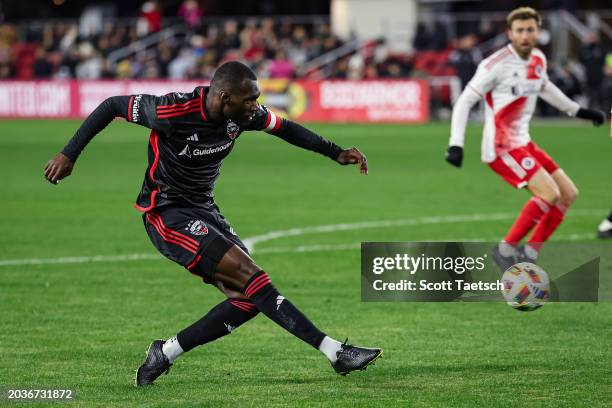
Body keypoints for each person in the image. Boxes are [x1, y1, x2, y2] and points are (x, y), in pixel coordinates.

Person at [44, 61, 382, 386]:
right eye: (250, 99)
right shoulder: (172, 112)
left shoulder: (242, 116)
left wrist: (335, 152)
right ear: (225, 98)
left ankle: (165, 352)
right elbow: (112, 105)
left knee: (249, 299)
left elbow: (285, 128)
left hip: (205, 210)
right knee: (252, 277)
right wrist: (69, 154)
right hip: (167, 212)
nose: (256, 105)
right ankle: (335, 351)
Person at [444, 7, 606, 270]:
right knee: (549, 193)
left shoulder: (538, 59)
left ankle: (529, 254)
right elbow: (464, 101)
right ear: (510, 33)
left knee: (568, 194)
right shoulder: (495, 65)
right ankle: (504, 250)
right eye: (519, 30)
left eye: (530, 29)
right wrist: (456, 144)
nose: (525, 35)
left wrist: (579, 111)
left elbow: (546, 88)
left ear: (537, 31)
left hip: (524, 142)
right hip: (501, 147)